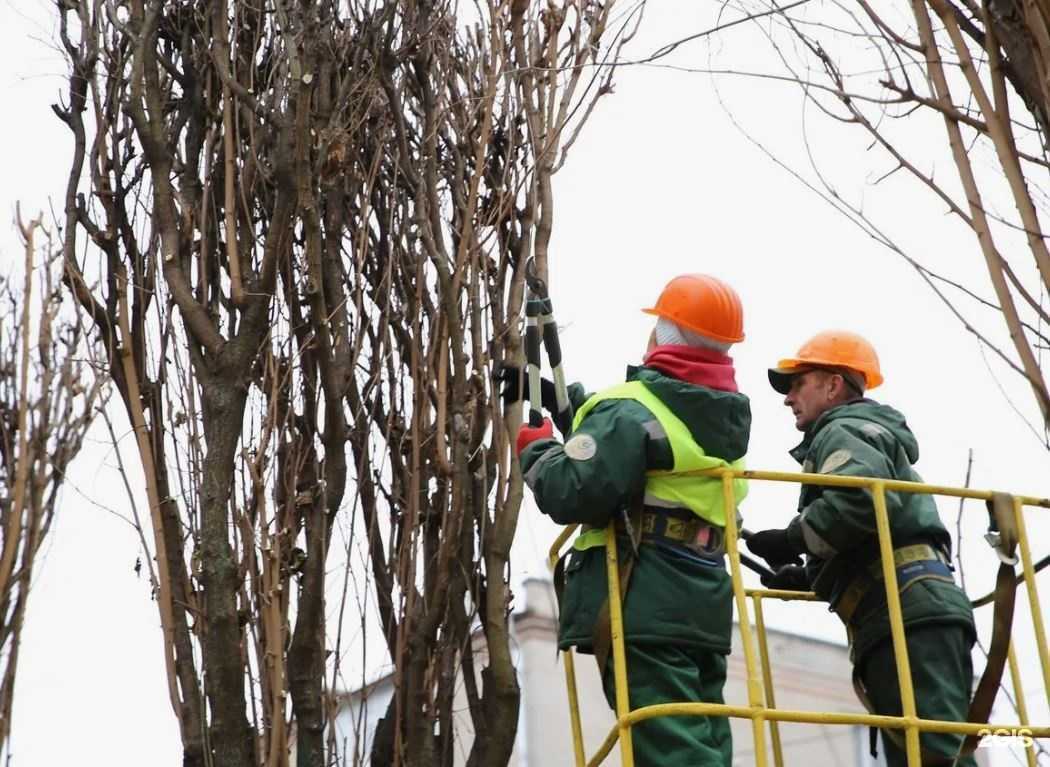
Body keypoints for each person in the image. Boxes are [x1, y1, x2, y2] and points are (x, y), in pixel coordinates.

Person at [507, 274, 750, 767]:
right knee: (703, 734)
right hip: (701, 603)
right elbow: (637, 452)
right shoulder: (721, 421)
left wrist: (536, 451)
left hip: (645, 596)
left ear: (661, 335)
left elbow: (573, 489)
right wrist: (566, 400)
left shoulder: (630, 409)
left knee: (670, 747)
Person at [747, 330, 977, 767]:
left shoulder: (843, 428)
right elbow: (871, 528)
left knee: (933, 754)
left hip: (905, 609)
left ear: (833, 385)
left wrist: (791, 538)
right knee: (924, 751)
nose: (787, 397)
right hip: (904, 606)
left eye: (798, 383)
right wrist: (812, 578)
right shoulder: (857, 434)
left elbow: (860, 502)